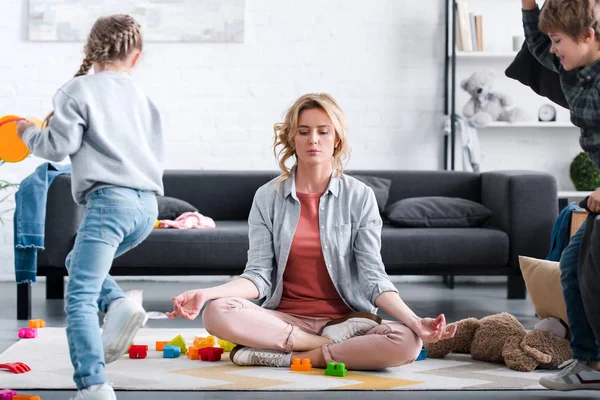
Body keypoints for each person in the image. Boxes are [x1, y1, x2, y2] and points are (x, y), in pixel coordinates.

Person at [167, 93, 456, 370]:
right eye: (303, 131)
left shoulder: (360, 197)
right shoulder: (267, 197)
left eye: (323, 131)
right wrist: (206, 293)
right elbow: (257, 277)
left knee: (408, 341)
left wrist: (415, 320)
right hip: (284, 320)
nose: (313, 139)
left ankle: (285, 357)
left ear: (337, 138)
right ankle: (321, 347)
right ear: (292, 138)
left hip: (348, 321)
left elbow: (373, 278)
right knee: (218, 312)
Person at [17, 14, 164, 400]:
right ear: (136, 57)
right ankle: (118, 303)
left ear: (90, 50)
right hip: (147, 208)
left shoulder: (77, 90)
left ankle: (94, 384)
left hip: (108, 205)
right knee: (77, 266)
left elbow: (56, 148)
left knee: (79, 295)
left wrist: (26, 132)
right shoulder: (142, 98)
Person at [521, 0, 600, 390]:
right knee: (572, 264)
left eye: (559, 40)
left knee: (589, 265)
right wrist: (528, 5)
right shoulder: (574, 68)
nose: (553, 48)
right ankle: (590, 362)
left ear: (589, 36)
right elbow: (537, 46)